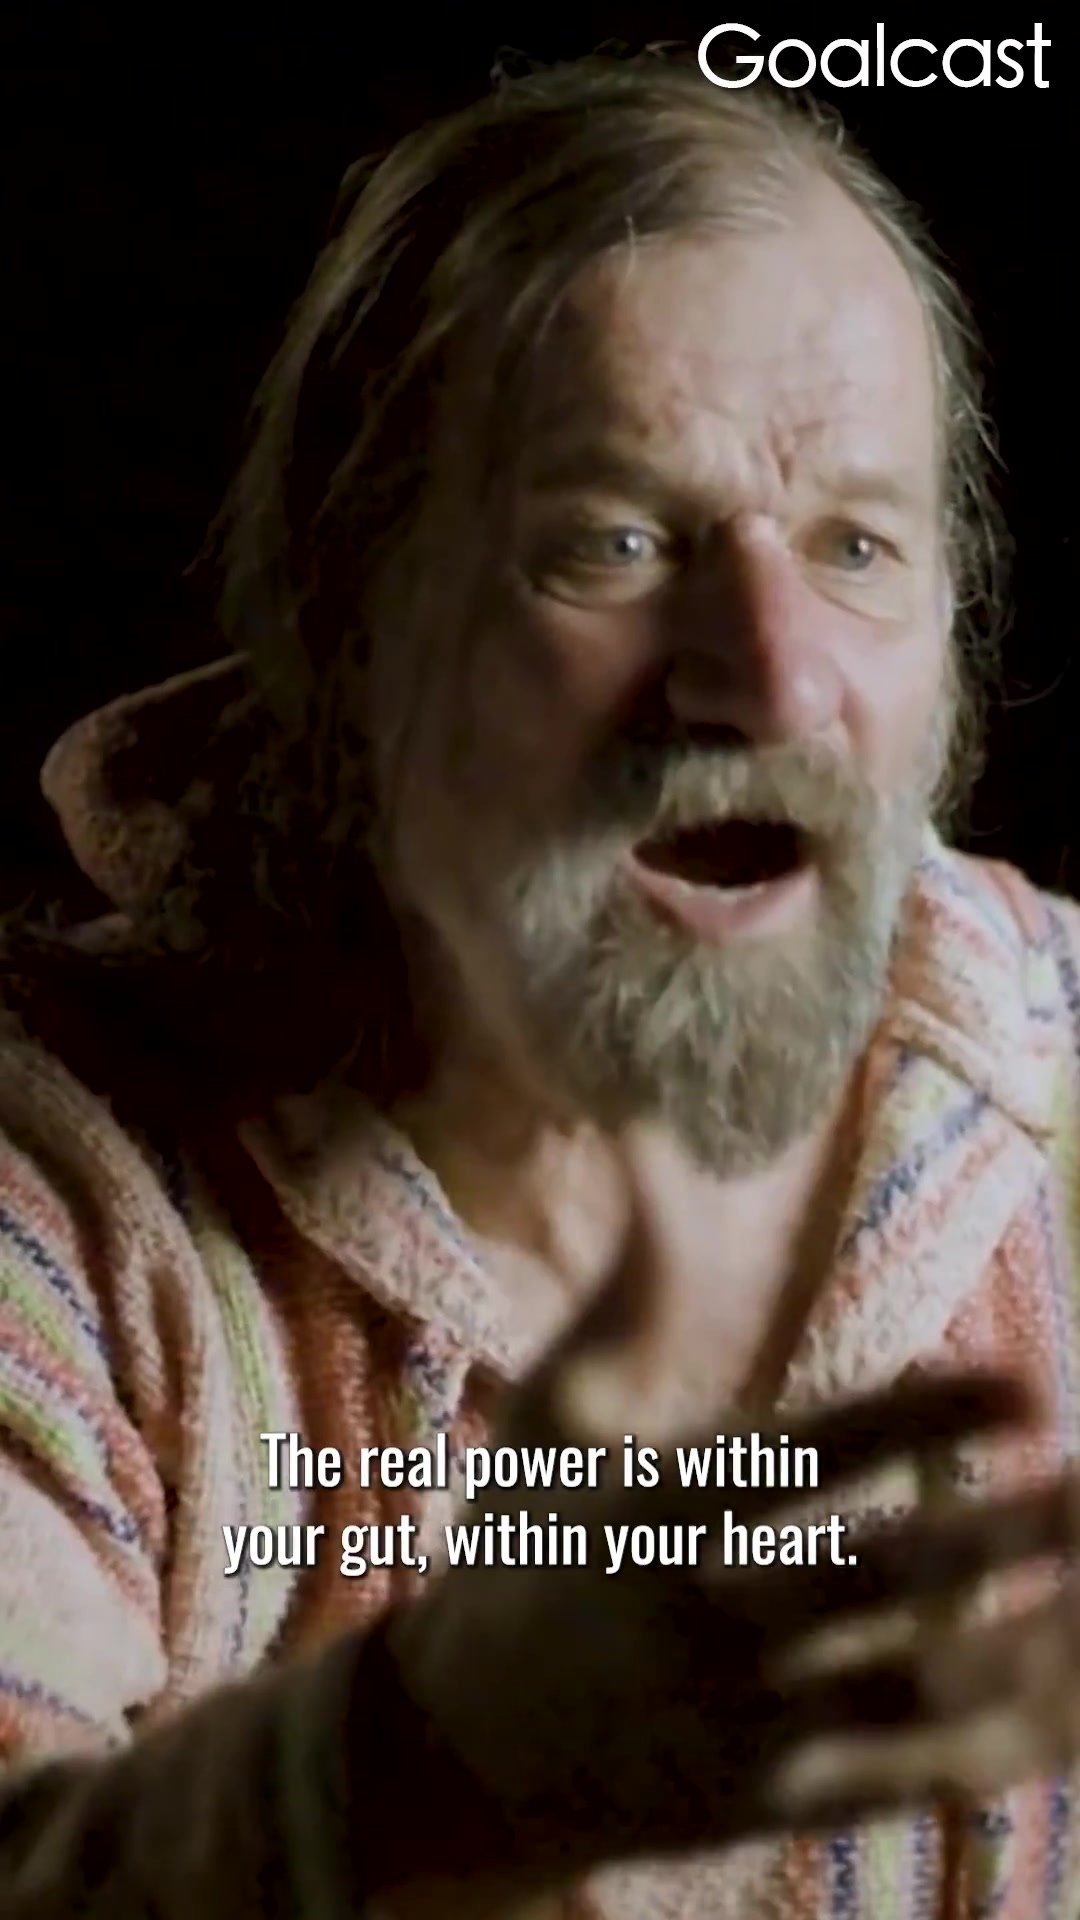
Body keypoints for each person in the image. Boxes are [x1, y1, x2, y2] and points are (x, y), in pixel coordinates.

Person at [0, 52, 1077, 1920]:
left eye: (857, 546)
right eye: (614, 542)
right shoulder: (66, 1208)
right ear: (351, 625)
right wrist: (411, 1784)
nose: (769, 674)